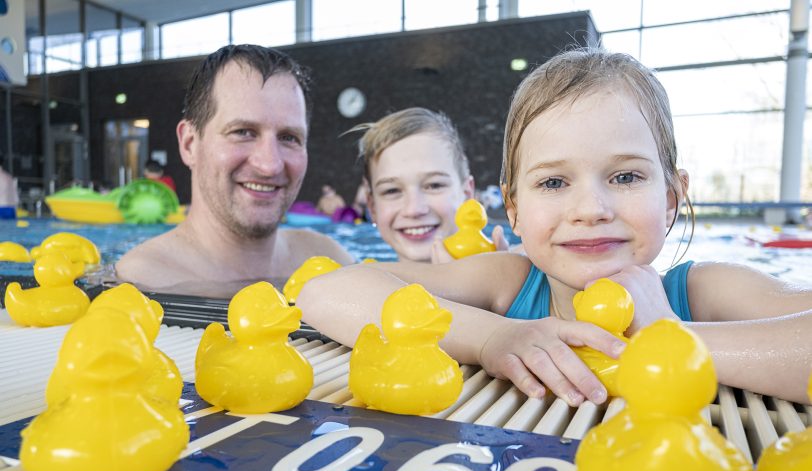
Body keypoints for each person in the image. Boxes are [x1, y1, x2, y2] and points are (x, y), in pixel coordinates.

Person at [299, 49, 812, 406]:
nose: (590, 208)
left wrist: (671, 337)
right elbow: (325, 292)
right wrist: (494, 338)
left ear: (673, 196)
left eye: (626, 176)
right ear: (514, 208)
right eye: (553, 183)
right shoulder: (509, 284)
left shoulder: (702, 293)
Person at [116, 45, 353, 294]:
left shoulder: (331, 261)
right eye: (243, 132)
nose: (270, 165)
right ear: (189, 145)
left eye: (289, 137)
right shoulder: (142, 281)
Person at [350, 107, 508, 263]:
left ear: (467, 193)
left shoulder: (515, 275)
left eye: (434, 185)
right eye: (392, 191)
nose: (414, 210)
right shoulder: (354, 281)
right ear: (372, 207)